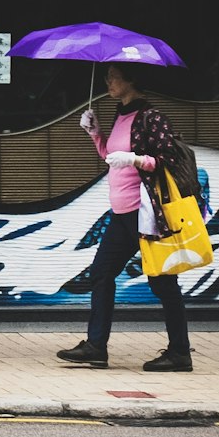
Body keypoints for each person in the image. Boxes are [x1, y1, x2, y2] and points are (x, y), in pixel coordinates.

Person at [56, 65, 195, 373]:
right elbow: (111, 156)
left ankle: (179, 353)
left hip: (145, 216)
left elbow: (168, 160)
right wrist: (96, 134)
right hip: (121, 216)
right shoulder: (121, 115)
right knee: (102, 274)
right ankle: (96, 348)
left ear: (132, 79)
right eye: (106, 77)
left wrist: (136, 159)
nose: (108, 82)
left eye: (114, 77)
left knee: (163, 283)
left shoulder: (151, 117)